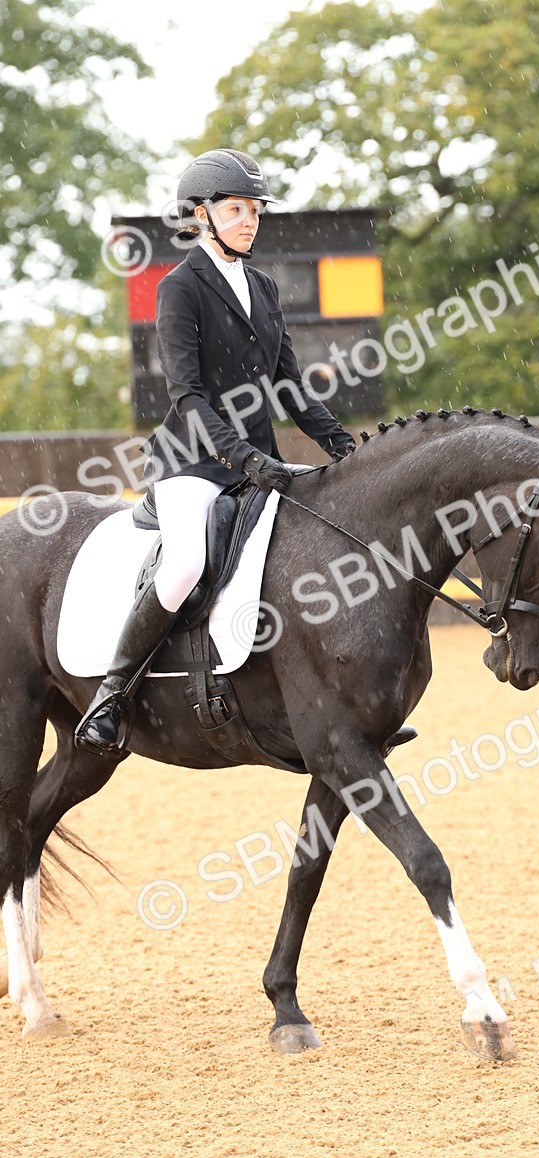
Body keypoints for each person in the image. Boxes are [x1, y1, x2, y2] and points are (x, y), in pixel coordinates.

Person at [75, 148, 356, 755]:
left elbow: (290, 387)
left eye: (255, 210)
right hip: (193, 461)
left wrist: (344, 447)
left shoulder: (264, 287)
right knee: (184, 564)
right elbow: (186, 395)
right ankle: (112, 694)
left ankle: (344, 702)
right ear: (201, 215)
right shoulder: (180, 287)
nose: (250, 221)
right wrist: (241, 458)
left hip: (258, 461)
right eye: (236, 210)